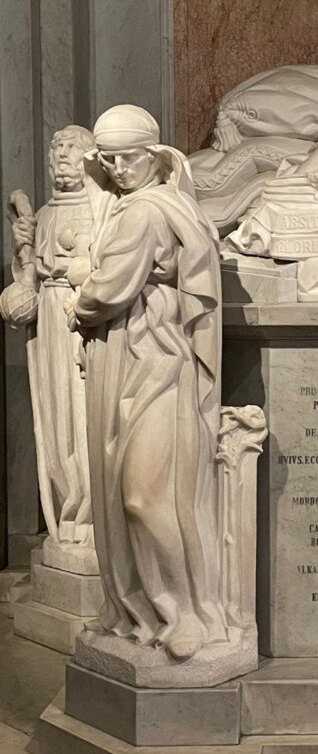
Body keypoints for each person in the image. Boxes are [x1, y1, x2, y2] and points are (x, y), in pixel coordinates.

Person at [68, 104, 228, 661]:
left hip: (152, 360)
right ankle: (155, 609)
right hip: (135, 358)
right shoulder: (156, 205)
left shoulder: (145, 212)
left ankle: (182, 609)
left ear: (154, 156)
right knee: (146, 490)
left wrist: (78, 297)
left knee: (140, 493)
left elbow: (106, 291)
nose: (116, 168)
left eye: (127, 158)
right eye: (107, 159)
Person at [1, 126, 96, 565]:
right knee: (58, 422)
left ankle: (94, 516)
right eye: (55, 151)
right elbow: (28, 289)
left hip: (89, 324)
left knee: (87, 419)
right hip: (52, 332)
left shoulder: (104, 209)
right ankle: (65, 513)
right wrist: (23, 257)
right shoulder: (42, 213)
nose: (60, 157)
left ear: (89, 158)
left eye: (69, 150)